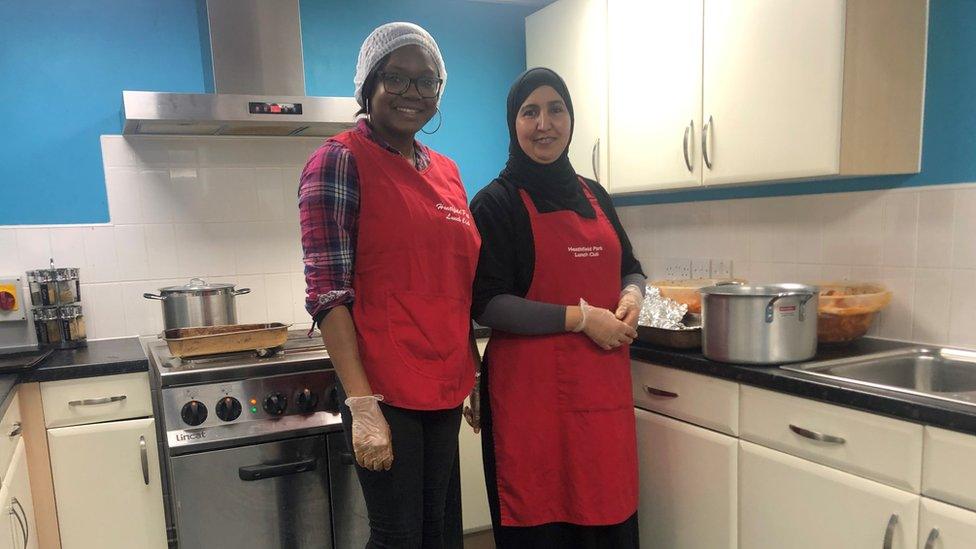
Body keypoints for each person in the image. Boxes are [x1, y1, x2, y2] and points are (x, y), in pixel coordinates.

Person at [299, 22, 481, 549]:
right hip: (385, 388)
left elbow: (456, 283)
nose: (412, 94)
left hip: (444, 384)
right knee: (398, 536)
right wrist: (362, 404)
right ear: (368, 86)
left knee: (437, 533)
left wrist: (473, 370)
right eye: (396, 79)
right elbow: (327, 292)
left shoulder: (446, 171)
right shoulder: (338, 159)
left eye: (426, 82)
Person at [466, 67, 645, 548]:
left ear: (570, 118)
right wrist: (582, 319)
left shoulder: (596, 195)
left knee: (607, 524)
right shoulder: (495, 203)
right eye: (530, 112)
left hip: (601, 395)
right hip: (530, 405)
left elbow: (631, 266)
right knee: (542, 526)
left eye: (555, 109)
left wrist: (632, 294)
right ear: (513, 122)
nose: (544, 123)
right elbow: (487, 304)